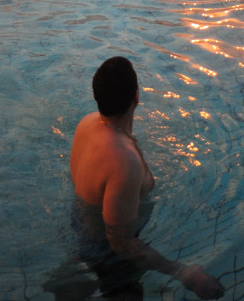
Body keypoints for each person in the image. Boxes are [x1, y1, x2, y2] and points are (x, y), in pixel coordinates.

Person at [69, 56, 224, 299]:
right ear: (136, 97)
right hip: (108, 256)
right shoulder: (123, 162)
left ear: (97, 95)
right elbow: (120, 242)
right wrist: (183, 272)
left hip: (79, 226)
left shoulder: (87, 123)